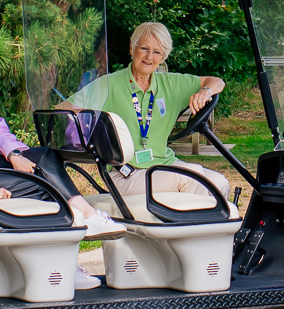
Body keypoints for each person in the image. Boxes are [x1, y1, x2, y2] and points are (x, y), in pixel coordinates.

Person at [0, 27, 124, 289]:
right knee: (44, 186)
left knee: (44, 157)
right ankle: (66, 262)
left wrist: (15, 154)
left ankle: (81, 223)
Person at [65, 20, 231, 206]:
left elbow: (216, 81)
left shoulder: (171, 83)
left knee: (219, 184)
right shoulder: (109, 84)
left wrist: (205, 92)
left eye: (157, 52)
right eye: (144, 48)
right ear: (132, 49)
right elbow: (63, 108)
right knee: (193, 178)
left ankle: (193, 233)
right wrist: (89, 122)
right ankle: (182, 233)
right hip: (126, 173)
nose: (149, 56)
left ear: (163, 56)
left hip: (164, 164)